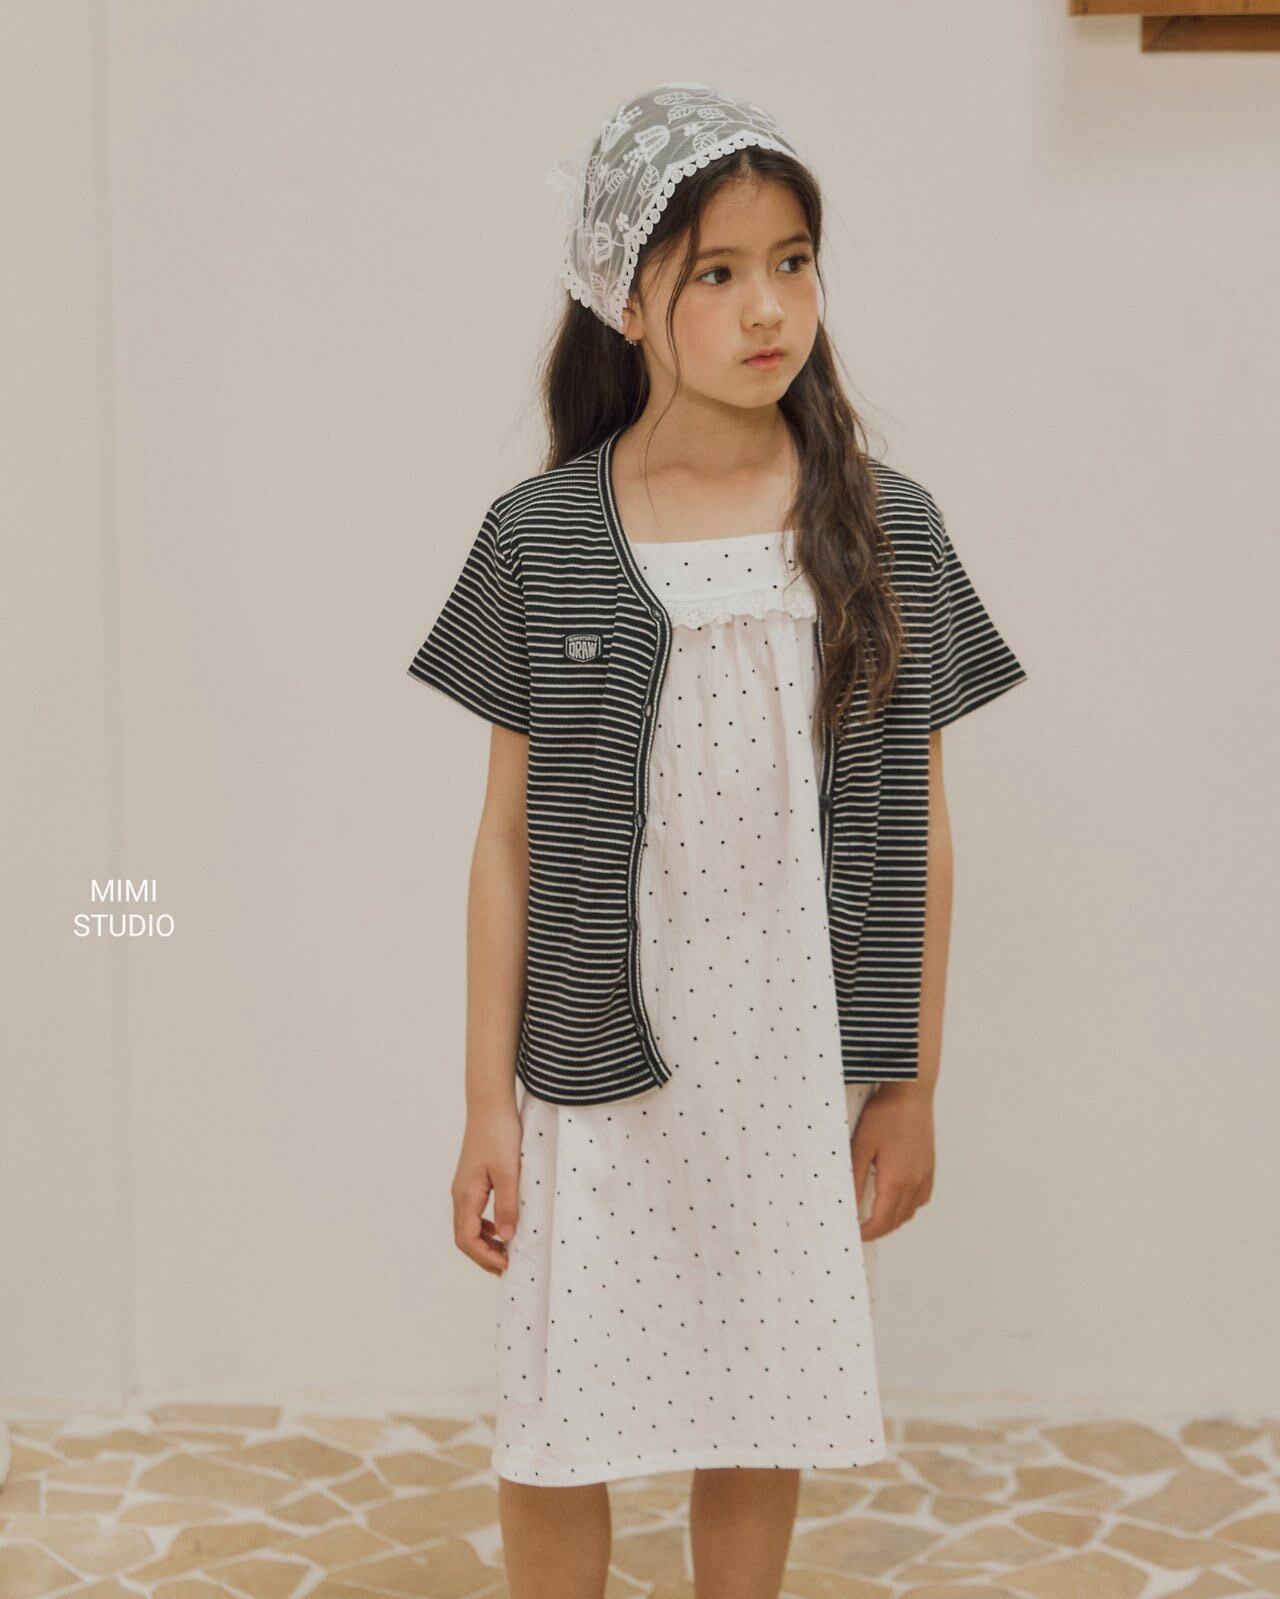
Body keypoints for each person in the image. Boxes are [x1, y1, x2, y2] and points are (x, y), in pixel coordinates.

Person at [407, 81, 1028, 1599]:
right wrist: (486, 1105)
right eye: (720, 272)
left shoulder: (885, 527)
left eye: (794, 262)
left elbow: (925, 830)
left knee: (761, 1393)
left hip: (789, 1048)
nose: (770, 307)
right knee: (560, 1410)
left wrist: (909, 1081)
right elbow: (506, 843)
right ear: (625, 300)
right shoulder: (542, 537)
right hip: (595, 1054)